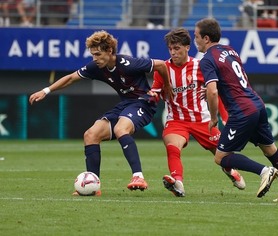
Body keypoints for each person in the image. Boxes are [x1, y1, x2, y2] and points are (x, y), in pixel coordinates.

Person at [29, 30, 173, 196]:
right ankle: (92, 185)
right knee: (91, 134)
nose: (94, 59)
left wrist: (166, 86)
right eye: (92, 55)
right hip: (126, 105)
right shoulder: (96, 67)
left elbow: (161, 65)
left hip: (143, 104)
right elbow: (70, 78)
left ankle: (138, 176)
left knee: (121, 129)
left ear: (110, 51)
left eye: (98, 54)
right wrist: (46, 91)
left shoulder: (128, 63)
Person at [194, 18, 278, 202]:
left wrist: (214, 117)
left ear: (206, 38)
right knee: (270, 149)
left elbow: (212, 91)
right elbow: (232, 79)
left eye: (196, 37)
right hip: (257, 104)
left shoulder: (207, 59)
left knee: (221, 158)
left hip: (242, 111)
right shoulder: (230, 50)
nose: (195, 41)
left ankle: (264, 171)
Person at [149, 28, 245, 197]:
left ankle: (231, 171)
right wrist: (153, 96)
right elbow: (155, 92)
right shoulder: (163, 69)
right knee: (172, 147)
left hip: (202, 120)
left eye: (177, 48)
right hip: (176, 120)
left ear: (187, 47)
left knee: (222, 156)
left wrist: (224, 116)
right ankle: (177, 183)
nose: (173, 52)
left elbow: (217, 91)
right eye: (171, 49)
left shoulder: (200, 67)